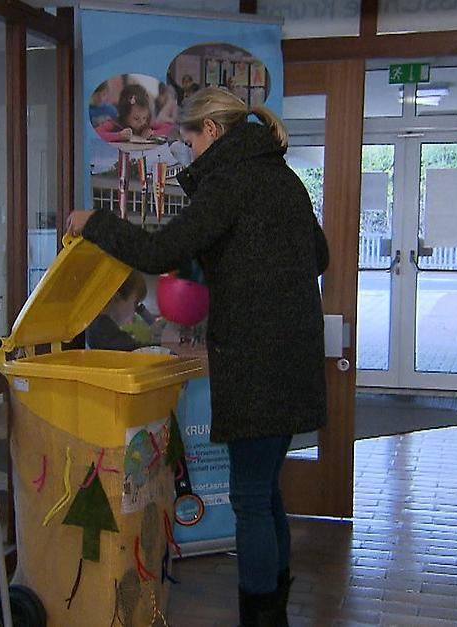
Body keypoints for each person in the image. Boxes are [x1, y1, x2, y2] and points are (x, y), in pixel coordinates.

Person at [67, 87, 328, 627]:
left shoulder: (230, 182)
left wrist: (93, 222)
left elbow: (162, 251)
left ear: (211, 130)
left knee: (251, 499)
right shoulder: (283, 178)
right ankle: (273, 607)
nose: (187, 153)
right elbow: (319, 255)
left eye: (187, 140)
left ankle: (262, 618)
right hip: (293, 357)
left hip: (257, 360)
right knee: (266, 492)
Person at [85, 271, 162, 351]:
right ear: (116, 297)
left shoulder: (95, 323)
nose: (134, 313)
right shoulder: (102, 327)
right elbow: (136, 352)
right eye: (135, 304)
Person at [95, 83, 174, 144]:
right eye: (136, 118)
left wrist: (153, 133)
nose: (141, 122)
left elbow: (170, 128)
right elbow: (96, 133)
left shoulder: (145, 124)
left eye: (145, 117)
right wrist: (118, 135)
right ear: (125, 114)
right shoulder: (115, 124)